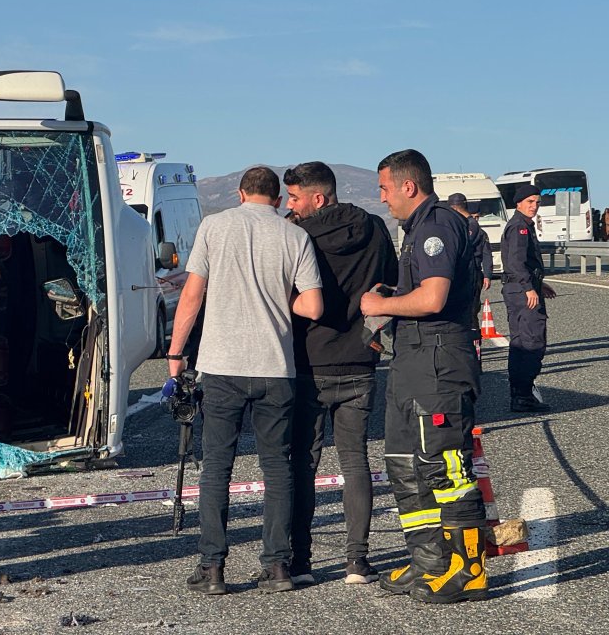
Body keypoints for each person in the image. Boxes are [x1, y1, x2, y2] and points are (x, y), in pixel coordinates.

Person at [163, 166, 324, 595]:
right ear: (276, 199)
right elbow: (313, 307)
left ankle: (212, 567)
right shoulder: (296, 236)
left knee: (217, 467)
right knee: (277, 467)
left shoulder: (214, 227)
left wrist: (176, 355)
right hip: (276, 368)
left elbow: (192, 296)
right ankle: (277, 567)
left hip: (222, 367)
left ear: (240, 194)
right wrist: (274, 293)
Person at [361, 149, 487, 604]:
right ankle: (429, 562)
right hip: (411, 364)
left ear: (408, 186)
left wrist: (380, 306)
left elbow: (433, 298)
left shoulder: (436, 226)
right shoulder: (414, 230)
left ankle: (468, 570)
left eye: (384, 189)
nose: (382, 198)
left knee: (444, 468)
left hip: (439, 364)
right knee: (405, 468)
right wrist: (393, 296)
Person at [282, 162, 398, 586]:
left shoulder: (299, 236)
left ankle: (301, 561)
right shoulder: (375, 227)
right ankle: (357, 560)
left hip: (309, 361)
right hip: (360, 360)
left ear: (318, 197)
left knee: (302, 464)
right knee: (356, 463)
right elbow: (390, 284)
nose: (289, 206)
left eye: (294, 198)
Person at [502, 184, 556, 412]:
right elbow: (514, 263)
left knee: (522, 342)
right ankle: (522, 396)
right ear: (519, 203)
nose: (534, 207)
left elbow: (525, 262)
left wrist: (538, 284)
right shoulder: (519, 227)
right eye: (530, 202)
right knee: (531, 342)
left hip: (522, 288)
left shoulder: (524, 225)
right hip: (521, 293)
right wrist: (528, 287)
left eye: (537, 202)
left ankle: (521, 394)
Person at [446, 193, 493, 292]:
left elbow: (485, 254)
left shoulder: (471, 225)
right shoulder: (463, 224)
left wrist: (487, 274)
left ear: (455, 209)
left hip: (470, 273)